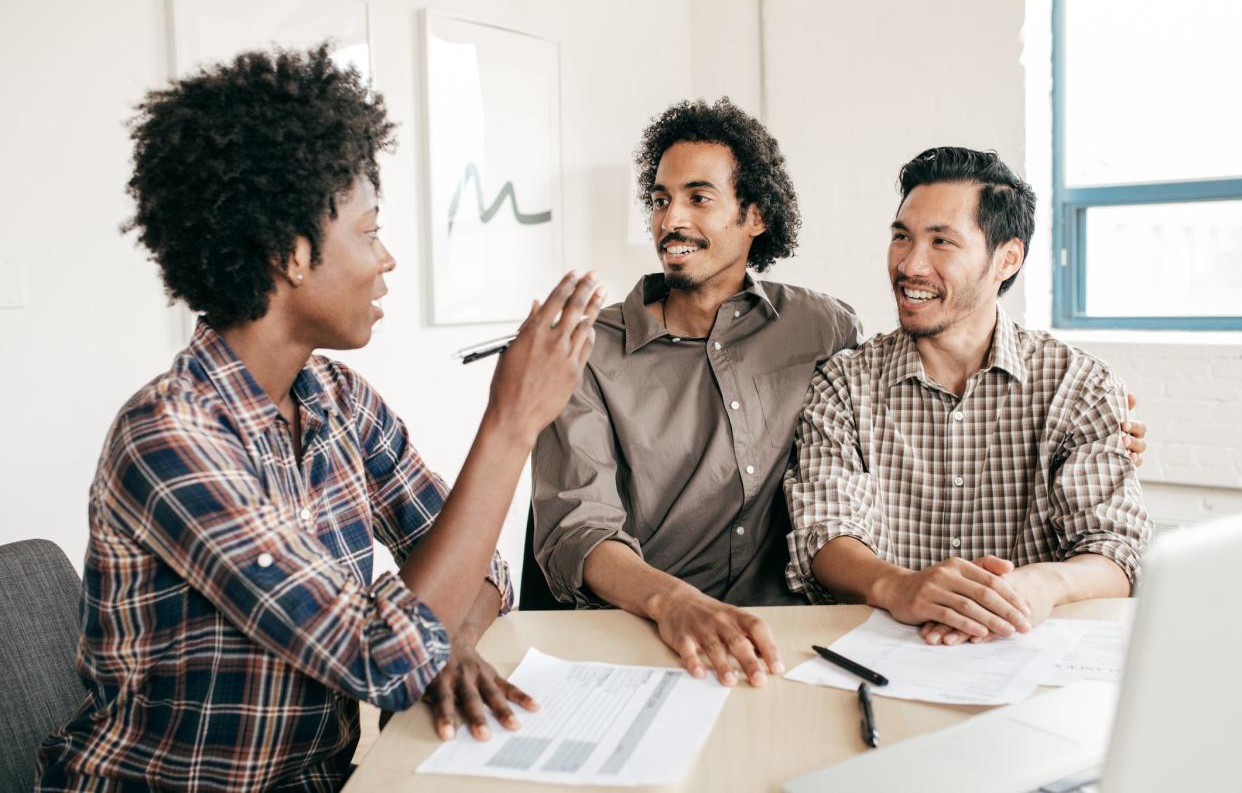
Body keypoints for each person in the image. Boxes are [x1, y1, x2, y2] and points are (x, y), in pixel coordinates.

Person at [36, 45, 603, 791]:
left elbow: (480, 568)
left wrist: (449, 644)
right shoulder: (172, 439)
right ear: (290, 253)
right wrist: (512, 422)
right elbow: (386, 657)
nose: (388, 258)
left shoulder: (339, 400)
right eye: (369, 232)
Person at [532, 101, 1148, 689]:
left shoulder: (823, 329)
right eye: (661, 200)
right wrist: (679, 603)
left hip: (793, 633)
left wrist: (1102, 448)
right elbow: (581, 528)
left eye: (699, 198)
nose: (671, 221)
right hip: (642, 627)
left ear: (756, 216)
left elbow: (1116, 545)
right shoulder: (590, 350)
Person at [784, 147, 1152, 647]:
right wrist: (899, 586)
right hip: (878, 658)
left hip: (1029, 660)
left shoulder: (1079, 385)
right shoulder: (844, 383)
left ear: (1007, 258)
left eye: (942, 242)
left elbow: (1116, 549)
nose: (911, 264)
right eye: (901, 237)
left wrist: (1042, 584)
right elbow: (823, 533)